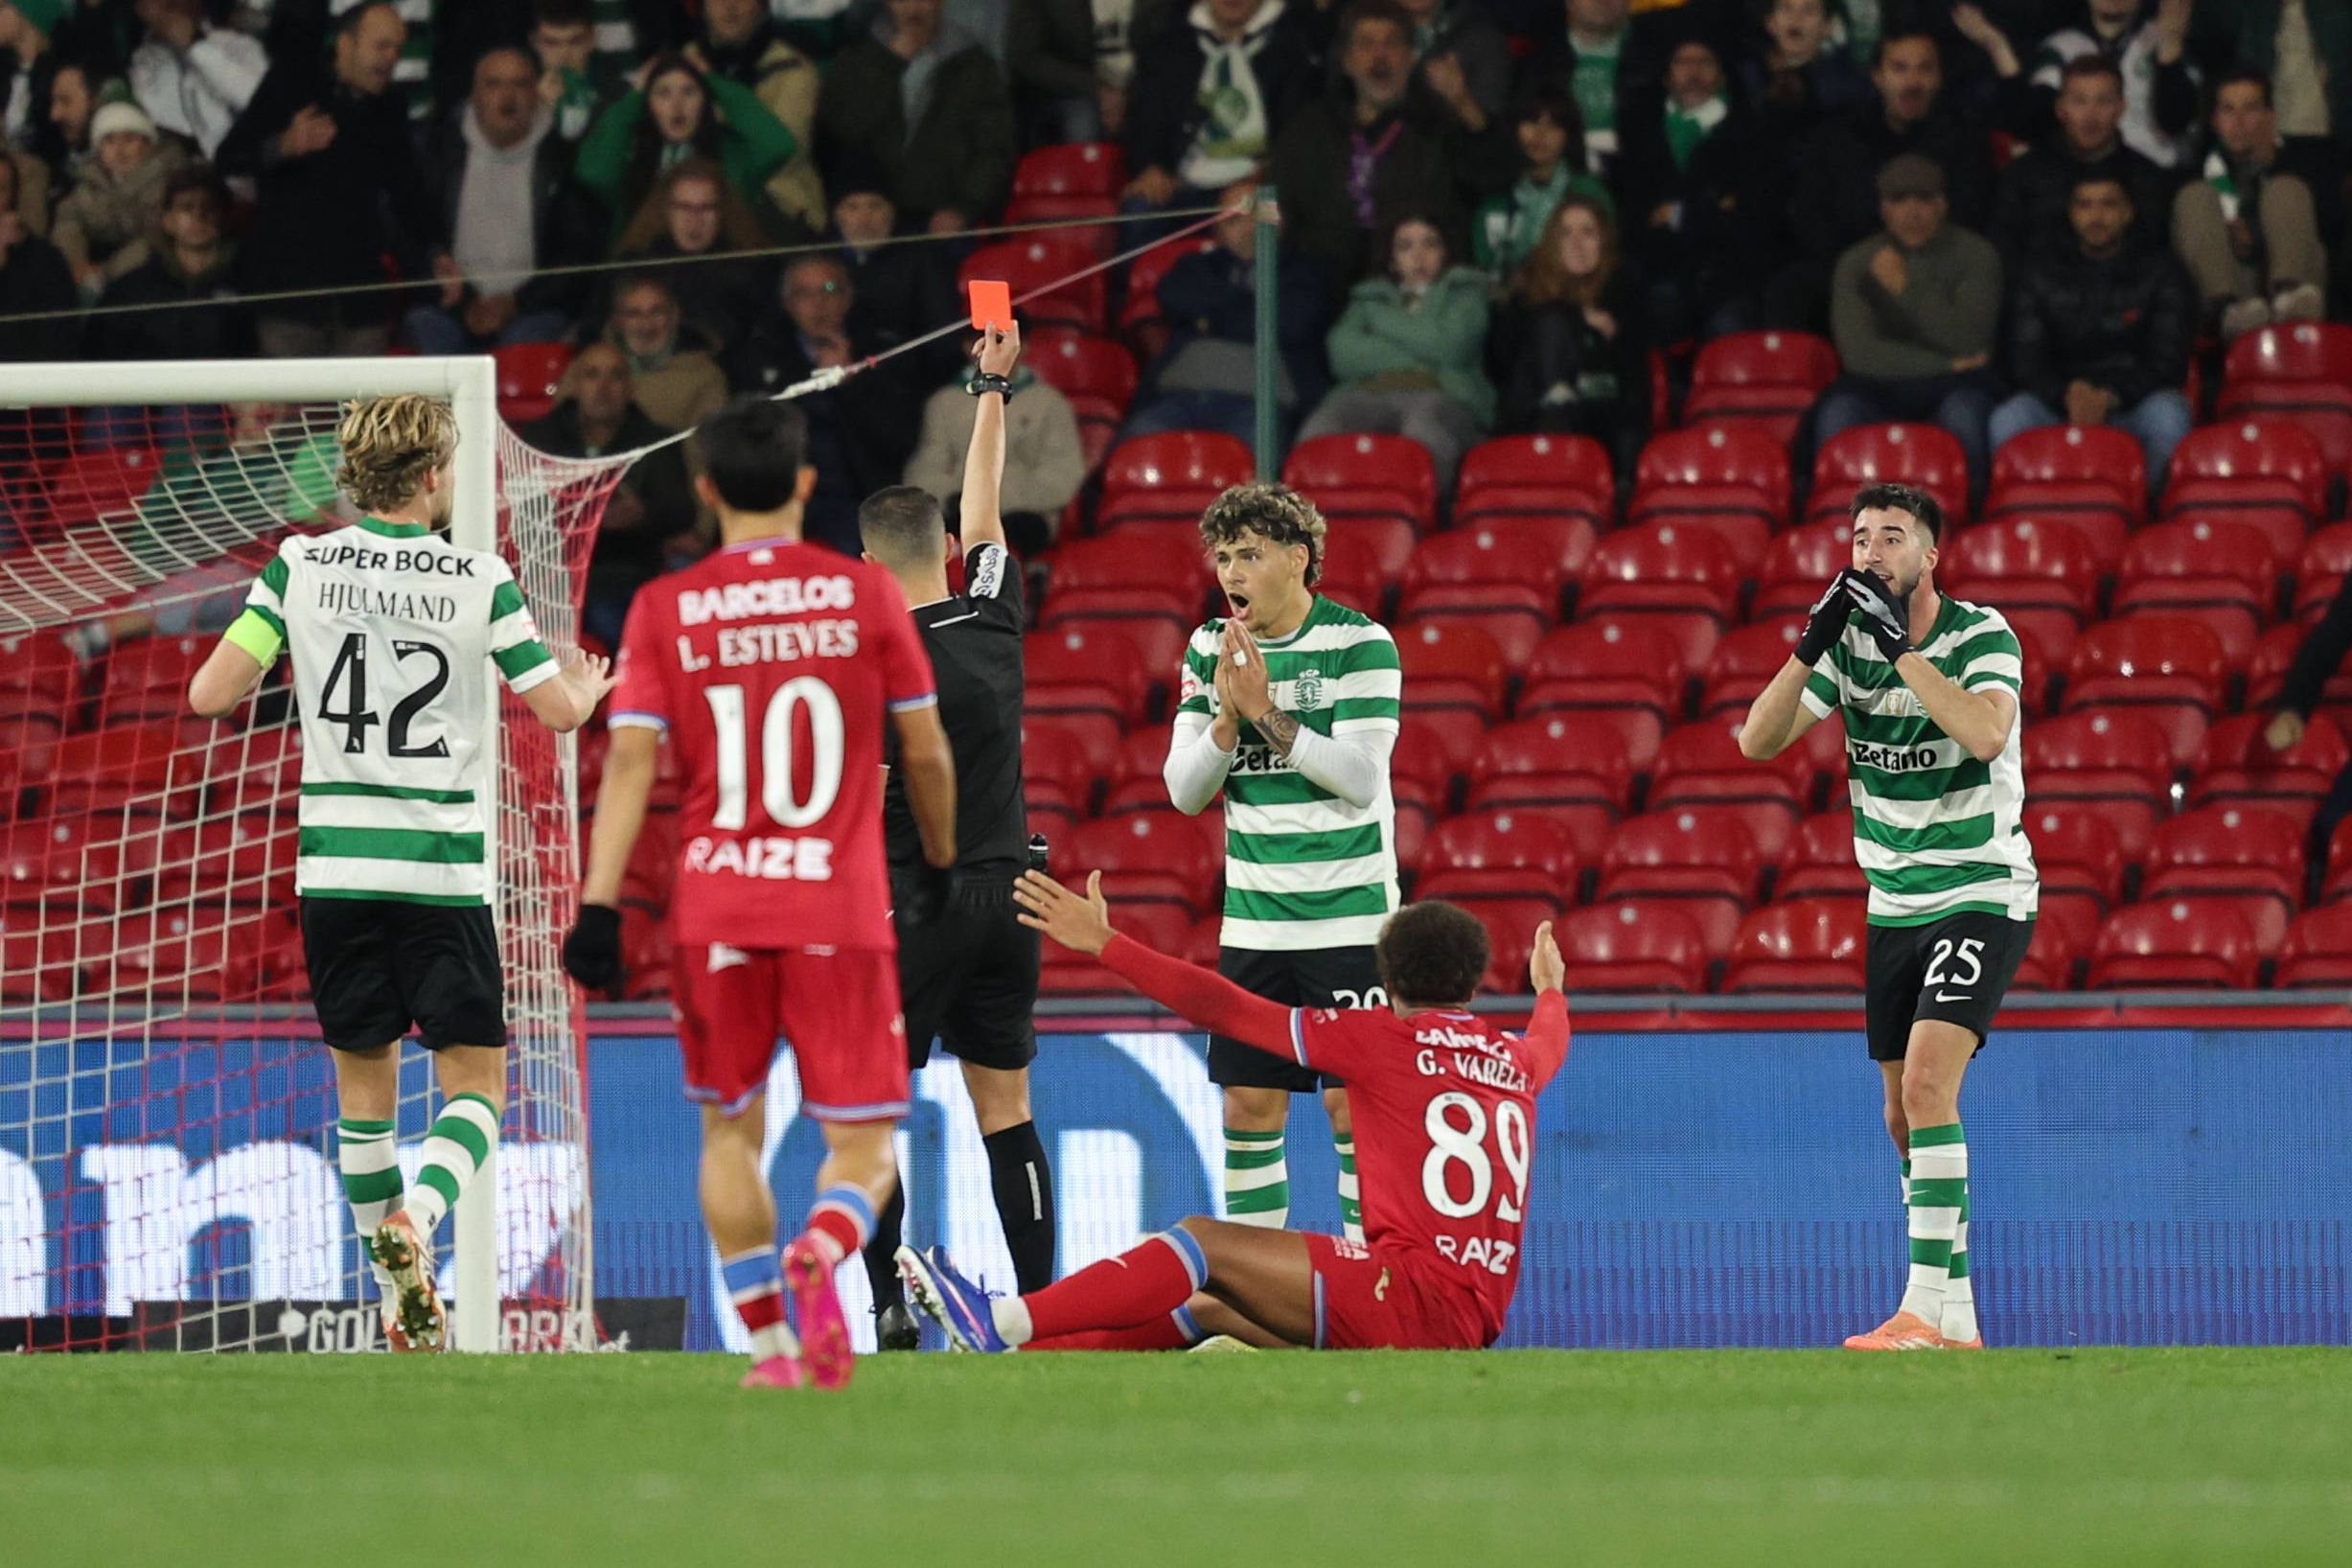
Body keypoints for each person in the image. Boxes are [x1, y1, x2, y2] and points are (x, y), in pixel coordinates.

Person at [185, 393, 618, 1351]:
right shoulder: (479, 576)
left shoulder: (298, 564)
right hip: (440, 875)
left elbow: (209, 693)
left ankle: (397, 1308)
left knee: (363, 1100)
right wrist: (583, 688)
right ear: (433, 477)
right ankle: (416, 1223)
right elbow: (553, 711)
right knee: (478, 1088)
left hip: (335, 871)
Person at [562, 395, 960, 1391]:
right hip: (838, 904)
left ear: (701, 491)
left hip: (718, 910)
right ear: (805, 482)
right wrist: (946, 864)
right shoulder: (865, 597)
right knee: (863, 1148)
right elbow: (926, 749)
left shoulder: (664, 606)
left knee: (726, 1130)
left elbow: (626, 769)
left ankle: (773, 1351)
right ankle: (821, 1255)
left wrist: (600, 903)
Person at [899, 886, 1568, 1352]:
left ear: (1387, 985)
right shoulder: (1511, 1059)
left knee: (1204, 1243)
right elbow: (1550, 1038)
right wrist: (1550, 992)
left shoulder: (1379, 1038)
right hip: (1468, 1312)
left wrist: (1106, 943)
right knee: (1214, 1303)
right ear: (1474, 985)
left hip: (1411, 1294)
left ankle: (1001, 1320)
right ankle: (1025, 1355)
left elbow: (1224, 1008)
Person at [1737, 481, 2038, 1352]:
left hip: (1980, 886)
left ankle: (1916, 1312)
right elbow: (1757, 742)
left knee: (1927, 1085)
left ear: (1931, 556)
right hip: (1894, 901)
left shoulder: (1982, 634)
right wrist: (1810, 646)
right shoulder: (1847, 649)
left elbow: (1984, 734)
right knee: (1903, 1119)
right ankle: (1958, 1319)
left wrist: (1900, 650)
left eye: (1893, 538)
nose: (1872, 553)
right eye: (1861, 538)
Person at [857, 324, 1058, 1352]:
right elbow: (986, 506)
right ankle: (1044, 1312)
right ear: (943, 553)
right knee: (1005, 1105)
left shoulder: (866, 662)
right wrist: (992, 386)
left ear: (863, 566)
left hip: (915, 903)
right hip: (1013, 897)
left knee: (866, 1107)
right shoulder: (990, 610)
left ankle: (889, 1305)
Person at [1165, 482, 1402, 1240]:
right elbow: (1183, 793)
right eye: (1224, 556)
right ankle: (1258, 1299)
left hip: (1352, 922)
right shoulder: (1209, 649)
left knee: (1351, 1109)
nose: (1231, 571)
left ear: (1298, 561)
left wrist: (1266, 712)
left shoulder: (1360, 642)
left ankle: (1372, 1281)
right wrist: (1227, 723)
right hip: (1257, 928)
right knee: (1248, 1107)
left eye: (1251, 554)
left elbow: (1362, 780)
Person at [216, 1, 449, 357]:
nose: (391, 59)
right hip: (290, 296)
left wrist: (436, 252)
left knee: (362, 411)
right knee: (293, 412)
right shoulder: (292, 84)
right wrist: (283, 145)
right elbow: (230, 157)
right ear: (345, 44)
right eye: (381, 46)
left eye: (398, 49)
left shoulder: (389, 107)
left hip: (360, 299)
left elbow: (409, 193)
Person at [1772, 30, 1995, 332]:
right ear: (1878, 76)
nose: (1913, 82)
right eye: (1899, 68)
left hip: (1935, 267)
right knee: (1793, 287)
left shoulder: (1965, 139)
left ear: (1940, 77)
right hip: (1850, 265)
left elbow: (1970, 214)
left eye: (1924, 69)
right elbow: (1813, 213)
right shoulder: (1838, 137)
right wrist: (1861, 264)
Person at [1989, 172, 2195, 491]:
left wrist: (2112, 397)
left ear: (2128, 212)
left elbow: (2168, 361)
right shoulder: (2040, 270)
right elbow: (2024, 357)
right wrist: (2067, 394)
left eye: (2108, 205)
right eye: (2084, 206)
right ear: (2072, 213)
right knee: (2009, 419)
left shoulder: (2163, 270)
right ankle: (2028, 513)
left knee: (2169, 416)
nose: (2095, 217)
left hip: (2133, 400)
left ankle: (2148, 516)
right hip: (2060, 400)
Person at [1818, 154, 2002, 497]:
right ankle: (1834, 516)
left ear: (1943, 205)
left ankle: (1973, 514)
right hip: (1883, 385)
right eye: (1900, 200)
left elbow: (1968, 340)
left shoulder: (1976, 255)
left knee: (1967, 414)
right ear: (1883, 209)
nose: (1912, 212)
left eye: (1924, 199)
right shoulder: (1858, 262)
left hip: (1954, 388)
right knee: (1837, 412)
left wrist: (1906, 291)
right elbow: (1860, 355)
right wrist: (1944, 363)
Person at [727, 253, 922, 554]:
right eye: (804, 293)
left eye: (829, 290)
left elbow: (899, 439)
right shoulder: (761, 356)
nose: (818, 303)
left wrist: (850, 386)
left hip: (866, 496)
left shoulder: (883, 351)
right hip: (789, 497)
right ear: (787, 303)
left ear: (848, 297)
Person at [409, 44, 596, 357]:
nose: (507, 97)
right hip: (454, 306)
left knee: (526, 349)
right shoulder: (441, 151)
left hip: (532, 310)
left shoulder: (562, 157)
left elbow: (577, 253)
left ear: (537, 93)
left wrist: (516, 303)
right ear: (475, 94)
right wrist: (464, 297)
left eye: (520, 84)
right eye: (493, 84)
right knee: (425, 329)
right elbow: (414, 232)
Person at [1267, 0, 1462, 293]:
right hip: (1318, 280)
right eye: (1366, 44)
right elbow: (1279, 202)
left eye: (1391, 43)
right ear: (1346, 61)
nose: (1379, 56)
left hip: (1409, 282)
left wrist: (1463, 105)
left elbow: (1488, 176)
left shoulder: (1437, 126)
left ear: (1410, 57)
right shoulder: (1310, 128)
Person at [1120, 181, 1327, 449]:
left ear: (1279, 220)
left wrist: (1210, 318)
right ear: (1217, 232)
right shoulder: (1196, 266)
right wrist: (1254, 309)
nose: (1249, 228)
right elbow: (1172, 295)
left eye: (1257, 215)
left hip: (1259, 403)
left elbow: (1291, 324)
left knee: (1252, 472)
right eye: (1235, 221)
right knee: (1135, 446)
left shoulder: (1306, 273)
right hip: (1179, 397)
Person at [517, 340, 696, 649]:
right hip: (548, 579)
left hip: (625, 572)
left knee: (616, 620)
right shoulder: (537, 439)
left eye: (615, 376)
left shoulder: (657, 440)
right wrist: (581, 519)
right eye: (591, 375)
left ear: (631, 388)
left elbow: (681, 511)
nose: (603, 386)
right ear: (573, 384)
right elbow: (519, 513)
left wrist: (644, 514)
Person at [1297, 214, 1492, 495]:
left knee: (1423, 432)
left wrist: (1380, 320)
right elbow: (1343, 356)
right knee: (1320, 428)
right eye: (1406, 246)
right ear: (1392, 257)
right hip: (1367, 393)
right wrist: (1422, 348)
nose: (1418, 256)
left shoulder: (1464, 293)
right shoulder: (1369, 296)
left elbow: (1449, 348)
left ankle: (1412, 522)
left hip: (1438, 394)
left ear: (1445, 251)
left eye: (1429, 244)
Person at [1612, 29, 1764, 339]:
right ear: (1666, 77)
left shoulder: (1751, 133)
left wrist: (1678, 214)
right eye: (1682, 62)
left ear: (1722, 76)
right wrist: (1711, 209)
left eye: (1705, 61)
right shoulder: (1638, 133)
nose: (1693, 71)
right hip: (1657, 273)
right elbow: (1633, 214)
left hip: (1728, 277)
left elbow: (1750, 216)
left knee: (1729, 327)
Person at [816, 0, 1017, 234]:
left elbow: (994, 150)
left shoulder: (976, 66)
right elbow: (843, 130)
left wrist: (964, 208)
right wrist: (890, 63)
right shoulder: (856, 59)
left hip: (939, 217)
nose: (913, 9)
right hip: (863, 217)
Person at [574, 52, 799, 244]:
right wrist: (633, 99)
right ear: (647, 104)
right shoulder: (629, 155)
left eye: (689, 92)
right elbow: (595, 173)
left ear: (705, 101)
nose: (677, 104)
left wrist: (713, 81)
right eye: (663, 93)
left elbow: (779, 144)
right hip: (646, 281)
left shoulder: (732, 154)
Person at [1493, 194, 1646, 475]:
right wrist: (1578, 318)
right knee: (1551, 321)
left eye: (1587, 232)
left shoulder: (1622, 289)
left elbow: (1631, 368)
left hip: (1603, 408)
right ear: (1552, 244)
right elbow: (1505, 361)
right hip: (1534, 412)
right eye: (1566, 233)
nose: (1576, 243)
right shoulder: (1527, 295)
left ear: (1604, 241)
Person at [1119, 0, 1314, 219]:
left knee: (1266, 223)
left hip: (1261, 188)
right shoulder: (1168, 46)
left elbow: (1299, 136)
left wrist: (1266, 176)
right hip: (1183, 186)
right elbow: (1143, 125)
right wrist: (1151, 168)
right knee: (1138, 211)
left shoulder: (1295, 47)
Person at [901, 327, 1085, 559]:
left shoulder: (1050, 404)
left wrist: (995, 500)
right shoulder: (944, 403)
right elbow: (925, 470)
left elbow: (1064, 473)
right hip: (958, 513)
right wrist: (955, 500)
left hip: (1027, 516)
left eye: (999, 341)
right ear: (967, 347)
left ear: (1021, 345)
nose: (991, 349)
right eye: (980, 341)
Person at [2174, 67, 2327, 340]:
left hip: (2301, 284)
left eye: (2250, 109)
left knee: (2286, 189)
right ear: (2215, 121)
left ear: (2270, 116)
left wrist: (2256, 234)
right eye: (2228, 110)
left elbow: (2331, 232)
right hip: (2235, 291)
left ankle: (2289, 296)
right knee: (2194, 197)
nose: (2239, 121)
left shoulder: (2307, 163)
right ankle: (2227, 311)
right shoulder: (2198, 171)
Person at [1988, 55, 2173, 266]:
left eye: (2103, 101)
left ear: (2121, 108)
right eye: (2079, 101)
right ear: (2060, 109)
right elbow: (2002, 252)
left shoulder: (2148, 178)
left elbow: (2152, 259)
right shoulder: (2022, 176)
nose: (2090, 115)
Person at [687, 0, 824, 238]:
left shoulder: (793, 68)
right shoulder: (684, 63)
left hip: (780, 204)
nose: (729, 7)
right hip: (697, 203)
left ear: (762, 6)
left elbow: (784, 152)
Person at [612, 159, 775, 353]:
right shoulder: (634, 266)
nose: (695, 220)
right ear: (665, 211)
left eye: (706, 208)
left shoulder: (753, 269)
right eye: (684, 207)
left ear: (722, 212)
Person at [2013, 0, 2199, 169]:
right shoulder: (2062, 47)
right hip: (2078, 174)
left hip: (2155, 171)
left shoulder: (2169, 39)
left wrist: (2169, 48)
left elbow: (2176, 124)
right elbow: (2038, 121)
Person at [1468, 83, 1612, 291]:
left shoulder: (1587, 193)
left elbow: (1604, 261)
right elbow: (1483, 274)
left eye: (1553, 125)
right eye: (1532, 121)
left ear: (1568, 136)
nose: (1540, 133)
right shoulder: (1494, 201)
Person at [51, 99, 186, 299]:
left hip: (154, 280)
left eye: (129, 139)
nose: (119, 150)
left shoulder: (173, 181)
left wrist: (104, 273)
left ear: (149, 144)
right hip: (90, 280)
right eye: (109, 140)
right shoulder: (88, 184)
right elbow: (68, 223)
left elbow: (155, 239)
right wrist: (76, 265)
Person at [129, 0, 268, 159]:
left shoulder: (235, 43)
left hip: (259, 166)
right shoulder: (141, 66)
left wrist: (195, 45)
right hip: (180, 172)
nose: (167, 6)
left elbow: (262, 98)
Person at [606, 271, 728, 434]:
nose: (645, 325)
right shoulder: (588, 367)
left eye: (656, 312)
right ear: (618, 320)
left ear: (675, 315)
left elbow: (704, 450)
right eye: (634, 314)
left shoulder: (704, 378)